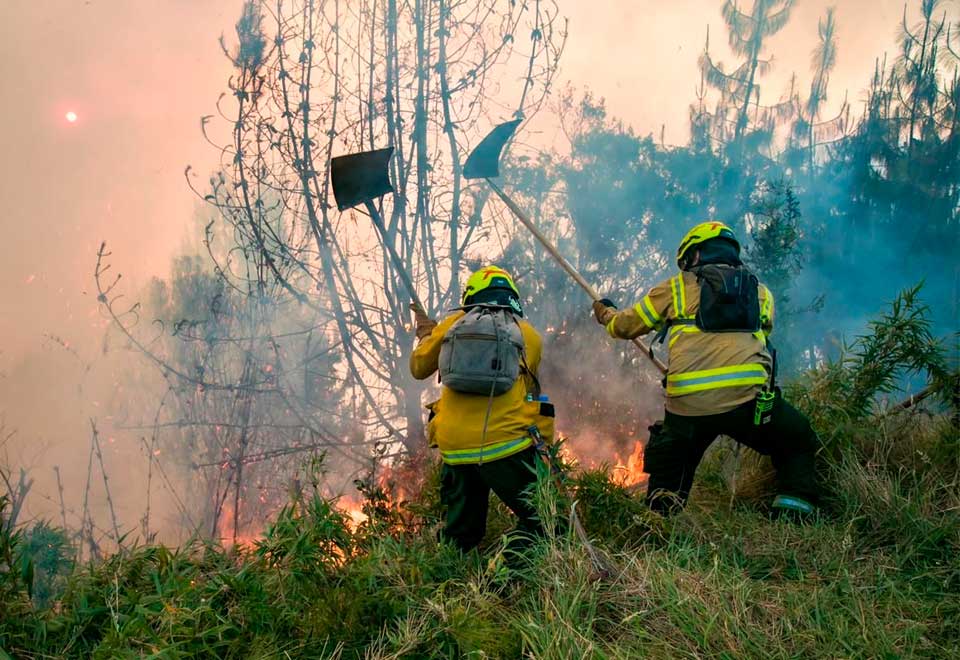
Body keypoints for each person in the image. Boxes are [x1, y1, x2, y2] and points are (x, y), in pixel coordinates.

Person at [592, 221, 820, 517]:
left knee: (668, 482)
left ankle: (657, 527)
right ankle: (793, 515)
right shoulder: (761, 293)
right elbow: (762, 339)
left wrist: (605, 312)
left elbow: (624, 326)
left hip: (688, 407)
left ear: (696, 256)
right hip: (746, 402)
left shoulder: (674, 288)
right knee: (798, 440)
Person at [410, 265, 552, 553]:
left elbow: (418, 367)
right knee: (546, 519)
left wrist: (428, 335)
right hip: (506, 446)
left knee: (461, 533)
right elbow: (529, 388)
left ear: (470, 296)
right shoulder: (530, 336)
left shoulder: (452, 326)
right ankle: (505, 567)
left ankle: (449, 583)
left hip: (455, 447)